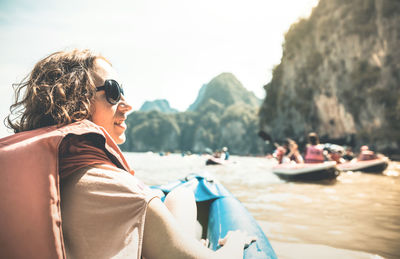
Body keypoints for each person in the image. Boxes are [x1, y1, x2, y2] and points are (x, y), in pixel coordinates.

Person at [0, 49, 254, 259]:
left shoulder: (26, 181)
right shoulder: (120, 191)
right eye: (112, 92)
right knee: (182, 196)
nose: (127, 104)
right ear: (74, 101)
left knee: (182, 195)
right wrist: (234, 243)